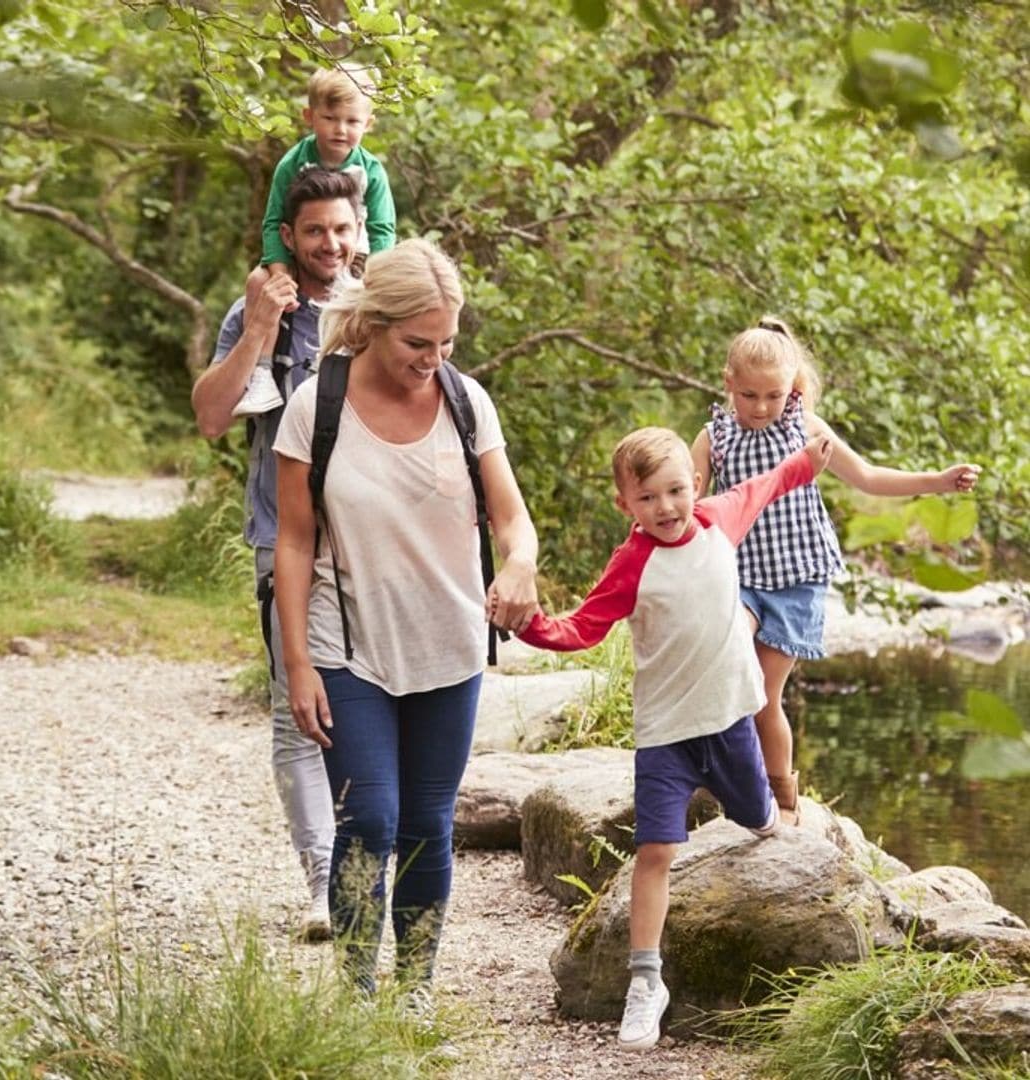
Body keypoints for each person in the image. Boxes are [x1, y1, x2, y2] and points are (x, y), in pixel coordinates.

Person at [271, 238, 539, 995]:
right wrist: (297, 663)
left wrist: (519, 563)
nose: (434, 357)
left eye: (447, 341)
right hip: (346, 648)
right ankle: (357, 997)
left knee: (428, 823)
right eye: (418, 342)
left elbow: (513, 519)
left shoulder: (465, 402)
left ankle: (414, 990)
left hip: (448, 644)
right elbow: (294, 543)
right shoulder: (314, 407)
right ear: (374, 325)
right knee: (372, 821)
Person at [519, 425, 833, 1051]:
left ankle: (776, 808)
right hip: (666, 735)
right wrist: (525, 623)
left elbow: (765, 486)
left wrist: (804, 463)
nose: (665, 507)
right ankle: (646, 980)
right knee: (656, 851)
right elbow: (582, 627)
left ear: (694, 484)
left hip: (730, 722)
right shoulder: (632, 563)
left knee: (758, 822)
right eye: (648, 498)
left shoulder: (719, 519)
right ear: (625, 506)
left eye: (674, 491)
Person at [690, 316, 981, 824]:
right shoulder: (714, 437)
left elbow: (867, 477)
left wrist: (937, 481)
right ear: (728, 382)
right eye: (750, 395)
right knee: (730, 672)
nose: (761, 407)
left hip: (797, 580)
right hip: (739, 578)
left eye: (773, 396)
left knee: (763, 694)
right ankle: (727, 778)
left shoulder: (806, 429)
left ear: (793, 388)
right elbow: (686, 503)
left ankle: (782, 798)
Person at [192, 168, 363, 941]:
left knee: (370, 705)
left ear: (360, 233)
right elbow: (210, 419)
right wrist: (260, 327)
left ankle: (370, 862)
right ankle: (325, 883)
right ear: (289, 238)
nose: (331, 244)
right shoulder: (257, 312)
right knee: (299, 716)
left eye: (343, 229)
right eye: (316, 231)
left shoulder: (378, 311)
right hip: (281, 537)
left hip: (372, 542)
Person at [234, 64, 397, 417]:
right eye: (330, 118)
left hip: (357, 255)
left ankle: (368, 377)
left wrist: (377, 275)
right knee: (260, 283)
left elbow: (384, 230)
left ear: (368, 124)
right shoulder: (292, 163)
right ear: (310, 116)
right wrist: (279, 271)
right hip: (298, 253)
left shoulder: (371, 171)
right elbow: (274, 220)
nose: (341, 130)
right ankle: (262, 375)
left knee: (375, 305)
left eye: (352, 122)